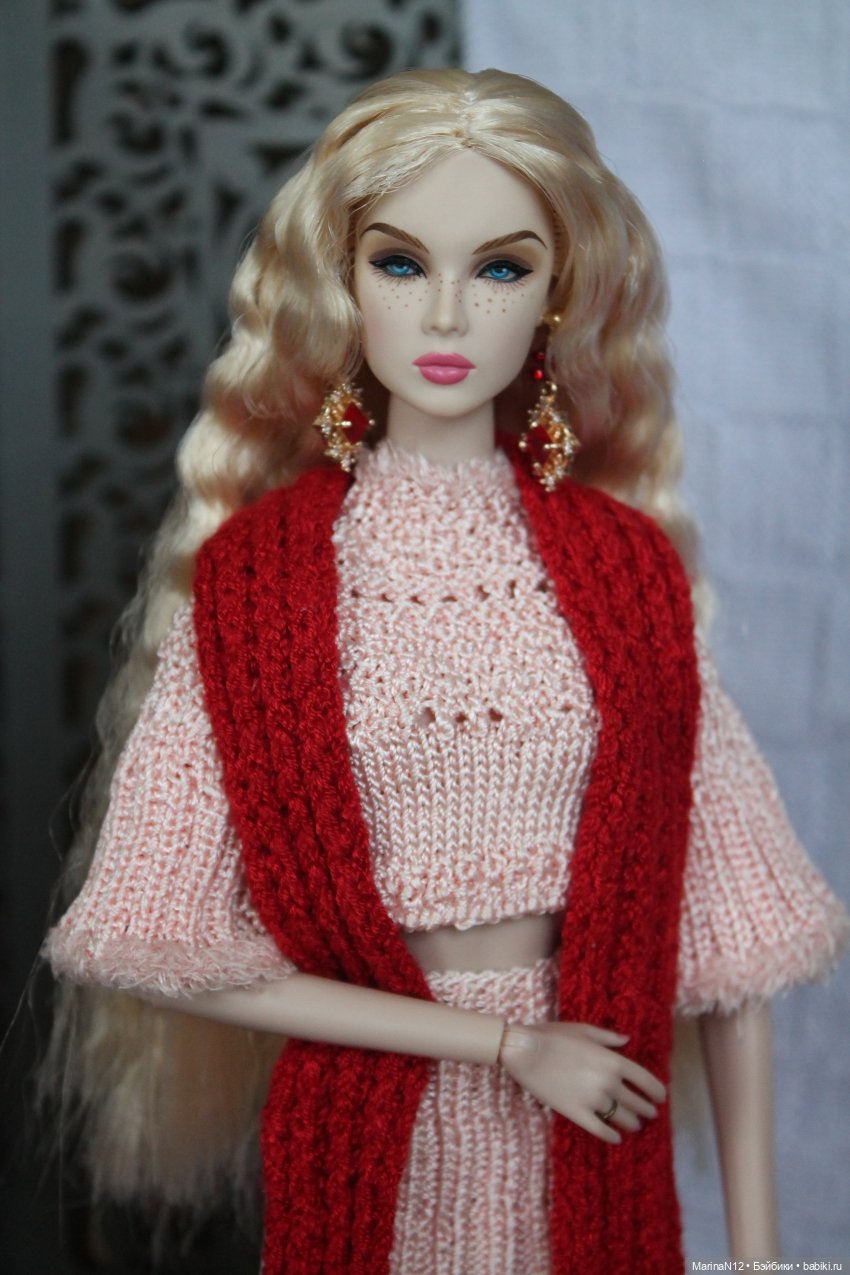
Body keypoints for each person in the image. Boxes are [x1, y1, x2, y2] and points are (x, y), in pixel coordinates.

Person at [42, 68, 849, 1274]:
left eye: (502, 270)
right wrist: (506, 1049)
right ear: (341, 281)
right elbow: (156, 942)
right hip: (369, 1137)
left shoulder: (623, 570)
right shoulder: (262, 582)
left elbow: (735, 951)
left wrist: (760, 1250)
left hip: (596, 1129)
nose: (448, 317)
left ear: (559, 296)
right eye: (401, 264)